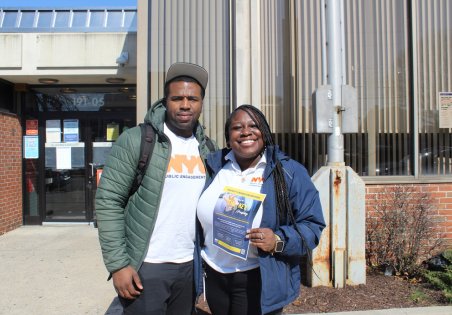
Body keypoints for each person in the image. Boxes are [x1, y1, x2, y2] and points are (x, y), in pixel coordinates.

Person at [96, 62, 219, 315]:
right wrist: (118, 265)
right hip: (146, 265)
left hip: (190, 264)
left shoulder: (208, 147)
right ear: (166, 101)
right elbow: (108, 201)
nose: (185, 104)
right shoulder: (136, 140)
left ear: (201, 103)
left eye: (192, 99)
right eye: (177, 98)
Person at [195, 105, 325, 315]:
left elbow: (312, 225)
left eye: (253, 126)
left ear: (264, 132)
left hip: (258, 278)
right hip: (214, 276)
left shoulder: (289, 172)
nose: (246, 132)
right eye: (237, 127)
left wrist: (278, 240)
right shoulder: (213, 167)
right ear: (228, 137)